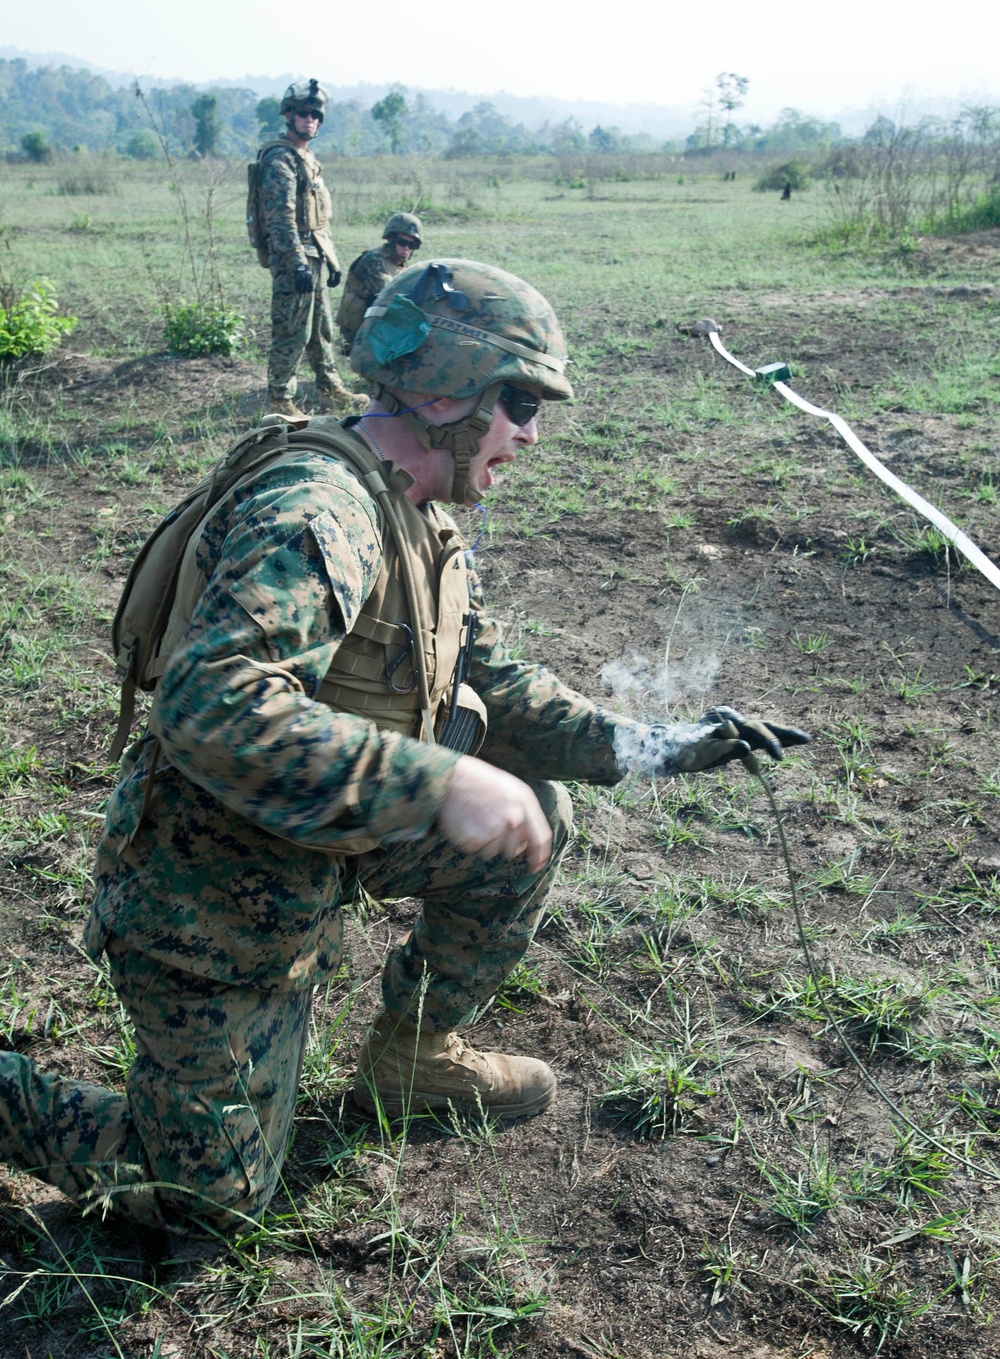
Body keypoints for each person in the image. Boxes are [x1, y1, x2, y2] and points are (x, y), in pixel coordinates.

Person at [0, 259, 810, 1238]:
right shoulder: (318, 505)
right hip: (212, 889)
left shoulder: (419, 514)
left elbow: (498, 689)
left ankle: (414, 1060)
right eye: (516, 401)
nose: (530, 432)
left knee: (529, 821)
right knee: (207, 1209)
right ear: (440, 392)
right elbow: (213, 704)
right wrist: (439, 778)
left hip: (330, 835)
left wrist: (657, 746)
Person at [258, 79, 366, 418]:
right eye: (303, 114)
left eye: (315, 115)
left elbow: (316, 216)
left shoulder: (306, 157)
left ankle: (330, 388)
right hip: (296, 257)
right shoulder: (280, 160)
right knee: (292, 328)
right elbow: (281, 217)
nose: (310, 120)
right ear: (288, 115)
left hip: (314, 254)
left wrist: (329, 260)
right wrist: (296, 262)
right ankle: (279, 397)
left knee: (321, 328)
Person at [335, 211, 424, 353]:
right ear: (391, 240)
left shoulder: (401, 266)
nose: (406, 248)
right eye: (402, 242)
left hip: (379, 327)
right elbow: (386, 293)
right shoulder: (374, 259)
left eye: (412, 244)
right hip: (358, 332)